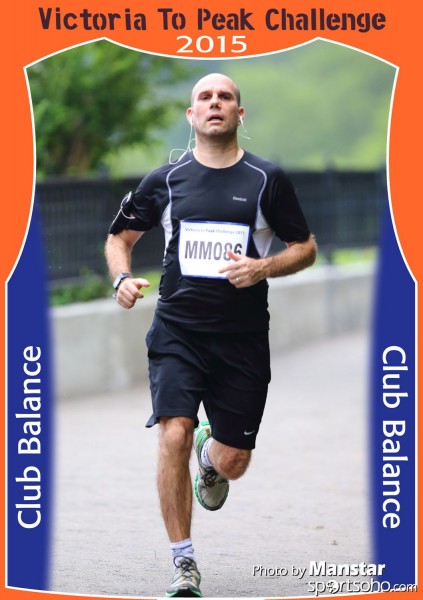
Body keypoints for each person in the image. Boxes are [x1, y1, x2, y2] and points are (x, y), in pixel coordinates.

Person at [105, 73, 317, 598]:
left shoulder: (267, 179)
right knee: (172, 432)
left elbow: (306, 247)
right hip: (177, 331)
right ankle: (183, 562)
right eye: (205, 97)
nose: (215, 103)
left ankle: (210, 458)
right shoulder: (166, 179)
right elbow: (119, 238)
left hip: (242, 339)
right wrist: (121, 278)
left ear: (239, 114)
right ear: (192, 115)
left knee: (233, 463)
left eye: (225, 97)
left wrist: (263, 267)